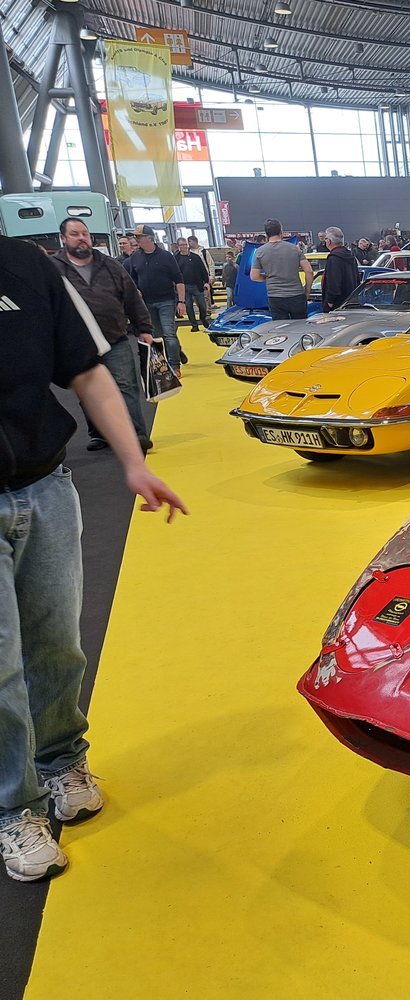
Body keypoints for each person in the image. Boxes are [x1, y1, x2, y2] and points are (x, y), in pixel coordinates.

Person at [0, 234, 187, 882]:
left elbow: (85, 369)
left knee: (57, 645)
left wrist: (134, 462)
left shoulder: (25, 266)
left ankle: (62, 761)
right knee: (0, 667)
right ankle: (15, 809)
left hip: (44, 486)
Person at [52, 218, 156, 453]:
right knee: (88, 392)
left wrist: (144, 329)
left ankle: (136, 435)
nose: (81, 238)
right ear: (63, 238)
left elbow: (131, 297)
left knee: (126, 386)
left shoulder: (110, 265)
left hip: (114, 338)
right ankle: (100, 434)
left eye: (85, 233)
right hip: (78, 344)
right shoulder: (53, 268)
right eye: (75, 234)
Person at [125, 225, 186, 372]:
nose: (136, 239)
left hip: (167, 300)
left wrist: (181, 302)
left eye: (139, 237)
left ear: (149, 238)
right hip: (147, 302)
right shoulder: (135, 257)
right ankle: (170, 356)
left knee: (169, 333)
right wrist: (136, 291)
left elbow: (178, 279)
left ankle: (174, 365)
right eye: (135, 237)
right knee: (157, 335)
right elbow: (133, 279)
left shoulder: (166, 256)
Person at [250, 218, 313, 321]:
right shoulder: (295, 249)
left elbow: (254, 276)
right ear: (281, 232)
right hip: (296, 295)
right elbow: (309, 271)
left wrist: (269, 277)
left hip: (275, 297)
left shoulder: (260, 252)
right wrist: (307, 291)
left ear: (266, 234)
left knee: (280, 327)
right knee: (300, 326)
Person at [172, 237, 211, 331]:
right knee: (189, 306)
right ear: (178, 246)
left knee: (202, 305)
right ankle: (194, 325)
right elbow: (173, 272)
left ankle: (203, 318)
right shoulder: (176, 259)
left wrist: (206, 282)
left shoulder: (195, 257)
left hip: (197, 285)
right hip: (184, 287)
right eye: (182, 245)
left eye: (185, 244)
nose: (184, 246)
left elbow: (203, 270)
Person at [320, 227, 360, 312]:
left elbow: (333, 281)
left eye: (325, 239)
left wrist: (330, 301)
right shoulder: (350, 256)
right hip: (350, 301)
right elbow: (357, 278)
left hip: (336, 304)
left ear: (329, 241)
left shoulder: (334, 258)